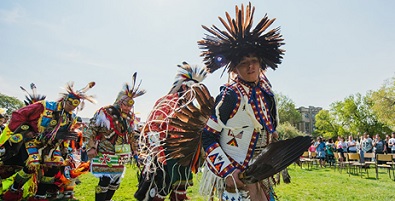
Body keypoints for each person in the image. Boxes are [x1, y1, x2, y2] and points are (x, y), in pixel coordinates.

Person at [198, 3, 286, 201]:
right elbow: (208, 137)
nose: (250, 66)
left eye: (254, 60)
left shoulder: (268, 95)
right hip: (235, 176)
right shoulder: (230, 96)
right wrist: (227, 172)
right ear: (234, 69)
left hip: (261, 175)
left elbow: (272, 130)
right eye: (243, 63)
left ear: (261, 63)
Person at [0, 81, 95, 201]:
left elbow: (67, 135)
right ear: (65, 99)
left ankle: (40, 195)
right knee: (32, 165)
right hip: (34, 141)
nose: (72, 107)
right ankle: (14, 191)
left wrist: (64, 147)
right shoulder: (45, 106)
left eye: (75, 106)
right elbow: (19, 114)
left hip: (52, 146)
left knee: (54, 167)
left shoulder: (71, 117)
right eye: (70, 103)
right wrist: (26, 130)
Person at [135, 62, 209, 201]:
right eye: (191, 89)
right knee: (159, 191)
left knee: (180, 192)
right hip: (165, 153)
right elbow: (153, 127)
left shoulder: (192, 108)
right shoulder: (168, 101)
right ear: (183, 86)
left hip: (184, 156)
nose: (193, 94)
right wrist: (158, 151)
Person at [85, 73, 145, 201]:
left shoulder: (129, 117)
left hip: (120, 153)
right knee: (105, 180)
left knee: (115, 182)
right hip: (104, 151)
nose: (128, 108)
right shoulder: (106, 112)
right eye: (126, 104)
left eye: (130, 105)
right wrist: (90, 147)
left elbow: (131, 135)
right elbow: (91, 129)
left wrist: (135, 150)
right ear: (119, 101)